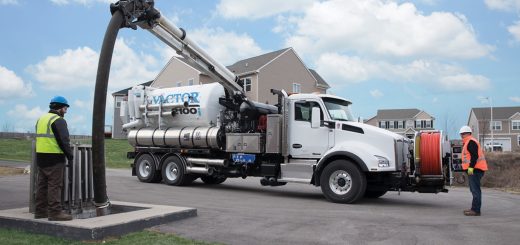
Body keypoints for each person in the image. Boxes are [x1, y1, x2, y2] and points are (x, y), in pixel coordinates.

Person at [34, 96, 74, 221]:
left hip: (41, 157)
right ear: (61, 108)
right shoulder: (58, 120)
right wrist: (70, 155)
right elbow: (64, 141)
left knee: (42, 185)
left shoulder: (41, 119)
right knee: (54, 186)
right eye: (65, 108)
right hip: (54, 158)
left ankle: (40, 211)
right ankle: (55, 213)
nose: (66, 111)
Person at [459, 125, 488, 216]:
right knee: (474, 189)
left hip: (475, 170)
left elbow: (474, 156)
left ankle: (476, 210)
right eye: (461, 134)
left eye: (462, 134)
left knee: (475, 190)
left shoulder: (471, 142)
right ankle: (473, 208)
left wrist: (471, 168)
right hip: (475, 169)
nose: (461, 136)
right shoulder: (469, 142)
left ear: (467, 134)